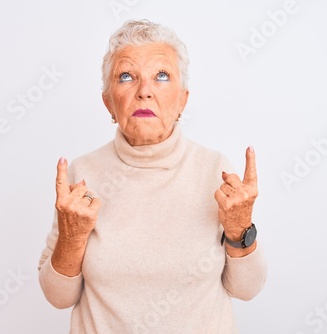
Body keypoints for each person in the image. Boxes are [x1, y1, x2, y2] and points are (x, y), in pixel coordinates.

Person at [38, 19, 267, 333]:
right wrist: (72, 236)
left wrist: (240, 227)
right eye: (127, 76)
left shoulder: (215, 170)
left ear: (182, 100)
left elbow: (247, 288)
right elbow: (58, 297)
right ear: (108, 102)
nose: (144, 91)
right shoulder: (83, 175)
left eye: (161, 76)